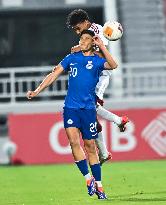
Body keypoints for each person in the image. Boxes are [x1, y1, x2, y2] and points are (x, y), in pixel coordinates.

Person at [26, 30, 118, 199]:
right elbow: (53, 75)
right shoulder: (71, 58)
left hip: (89, 109)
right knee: (73, 142)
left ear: (92, 42)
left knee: (90, 147)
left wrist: (102, 46)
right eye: (81, 38)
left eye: (86, 39)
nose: (82, 41)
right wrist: (37, 90)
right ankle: (88, 179)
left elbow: (113, 65)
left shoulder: (97, 61)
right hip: (71, 108)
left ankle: (100, 186)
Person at [66, 9, 129, 165]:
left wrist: (80, 49)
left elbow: (101, 55)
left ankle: (118, 120)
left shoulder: (99, 31)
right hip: (90, 79)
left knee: (91, 109)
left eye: (77, 28)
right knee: (89, 116)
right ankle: (105, 152)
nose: (77, 32)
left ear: (86, 22)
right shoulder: (87, 36)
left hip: (99, 78)